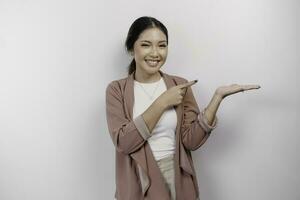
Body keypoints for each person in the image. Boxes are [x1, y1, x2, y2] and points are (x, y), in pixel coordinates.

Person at [105, 16, 260, 200]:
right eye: (146, 45)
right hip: (138, 181)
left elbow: (191, 141)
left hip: (177, 176)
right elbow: (124, 142)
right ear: (132, 48)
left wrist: (217, 97)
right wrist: (162, 102)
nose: (155, 53)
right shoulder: (117, 90)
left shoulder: (180, 85)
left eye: (162, 45)